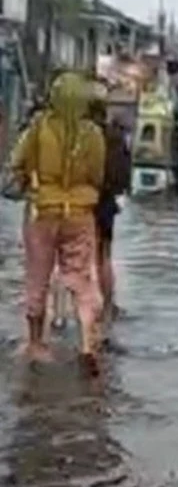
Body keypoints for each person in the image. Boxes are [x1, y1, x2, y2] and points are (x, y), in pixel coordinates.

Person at [10, 72, 105, 372]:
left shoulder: (38, 127)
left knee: (37, 277)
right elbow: (97, 176)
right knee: (80, 278)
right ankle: (88, 343)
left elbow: (16, 163)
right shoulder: (93, 134)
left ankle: (37, 343)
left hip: (43, 211)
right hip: (79, 213)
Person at [88, 98, 131, 325]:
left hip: (80, 201)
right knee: (104, 256)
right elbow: (124, 176)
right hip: (106, 203)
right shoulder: (115, 137)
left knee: (72, 258)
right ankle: (107, 306)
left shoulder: (81, 136)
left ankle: (65, 311)